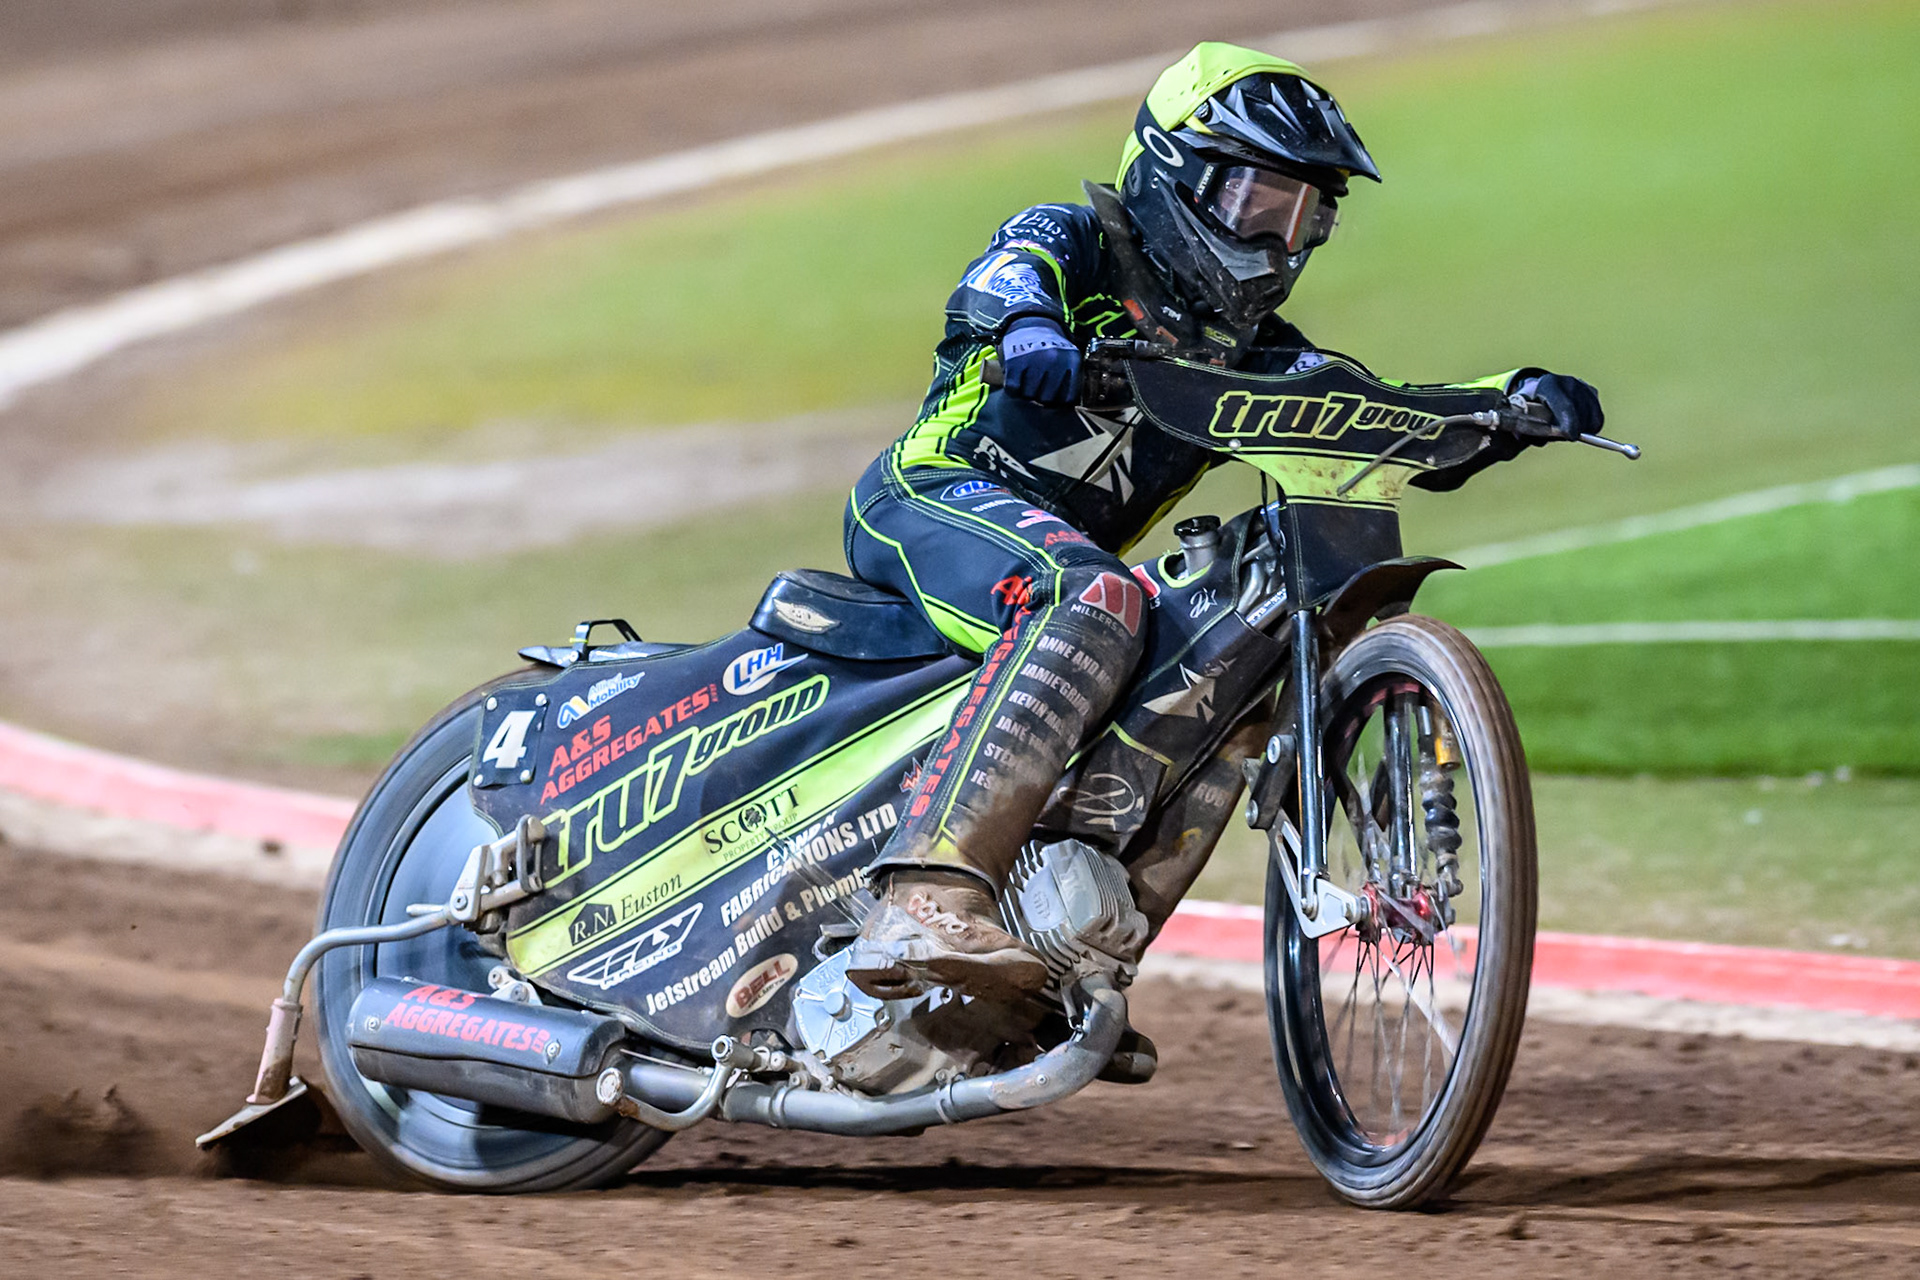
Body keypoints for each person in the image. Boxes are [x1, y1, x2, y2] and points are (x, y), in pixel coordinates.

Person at [841, 42, 1603, 1000]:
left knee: (1234, 650)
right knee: (1097, 595)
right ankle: (922, 904)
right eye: (1259, 204)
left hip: (1059, 573)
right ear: (1174, 174)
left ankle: (1077, 950)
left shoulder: (1254, 350)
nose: (1282, 243)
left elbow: (1361, 415)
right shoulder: (1070, 236)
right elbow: (1008, 282)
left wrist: (1505, 405)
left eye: (1306, 217)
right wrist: (1031, 336)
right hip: (928, 498)